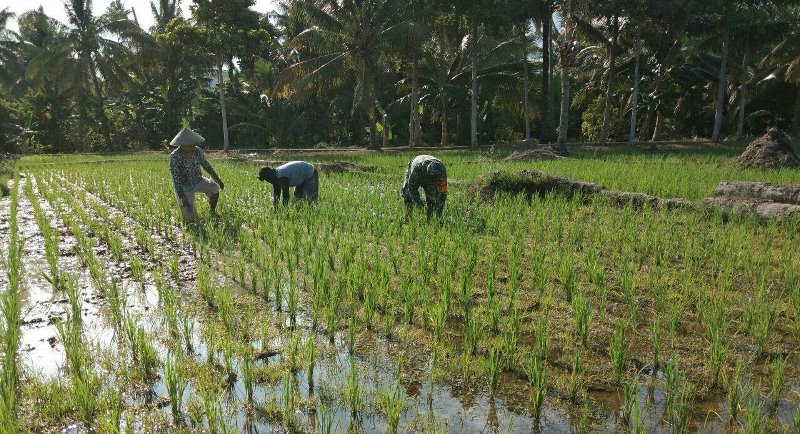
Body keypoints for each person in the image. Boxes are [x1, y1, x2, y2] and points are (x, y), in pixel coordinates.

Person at [168, 128, 225, 220]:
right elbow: (176, 179)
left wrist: (218, 180)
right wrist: (183, 198)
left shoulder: (197, 151)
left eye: (193, 145)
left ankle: (212, 211)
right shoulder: (174, 156)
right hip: (184, 187)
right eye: (188, 146)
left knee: (214, 188)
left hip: (198, 180)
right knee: (191, 218)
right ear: (181, 145)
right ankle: (188, 208)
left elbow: (206, 166)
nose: (191, 148)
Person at [401, 154, 447, 219]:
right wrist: (419, 204)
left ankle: (429, 218)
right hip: (417, 171)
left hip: (427, 177)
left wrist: (439, 212)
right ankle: (408, 216)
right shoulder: (417, 169)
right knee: (407, 194)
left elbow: (443, 194)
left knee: (431, 199)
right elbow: (412, 189)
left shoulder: (442, 173)